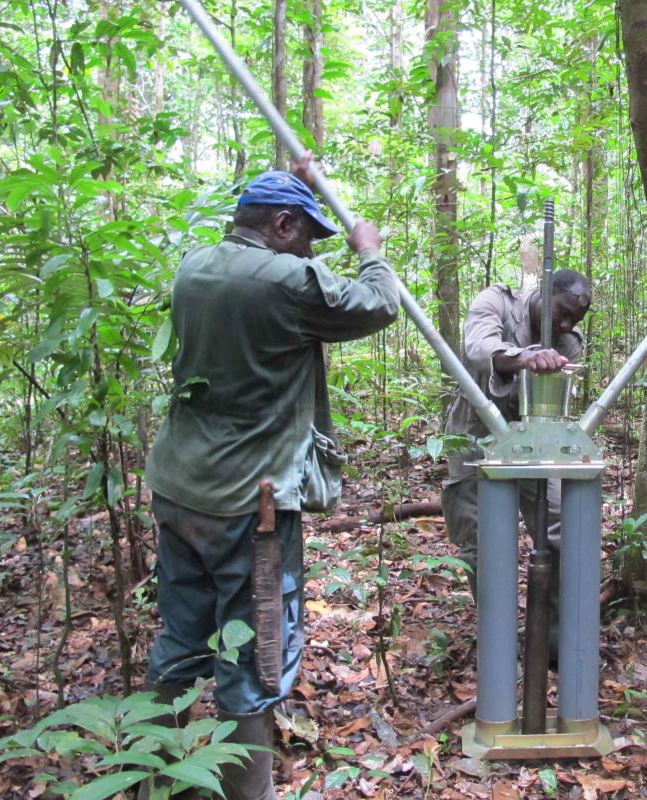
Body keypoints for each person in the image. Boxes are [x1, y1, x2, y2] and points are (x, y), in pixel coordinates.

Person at [142, 155, 400, 800]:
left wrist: (298, 194)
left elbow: (269, 271)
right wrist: (369, 252)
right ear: (283, 225)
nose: (312, 249)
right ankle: (246, 791)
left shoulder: (194, 268)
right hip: (247, 502)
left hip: (179, 485)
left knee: (180, 636)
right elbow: (377, 305)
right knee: (256, 657)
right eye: (307, 234)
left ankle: (145, 773)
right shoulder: (286, 281)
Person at [441, 269, 591, 607]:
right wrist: (523, 358)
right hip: (475, 433)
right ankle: (498, 638)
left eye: (574, 319)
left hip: (531, 440)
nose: (565, 325)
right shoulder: (498, 302)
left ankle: (552, 637)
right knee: (482, 537)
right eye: (563, 313)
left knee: (559, 527)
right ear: (544, 291)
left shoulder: (568, 341)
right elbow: (478, 347)